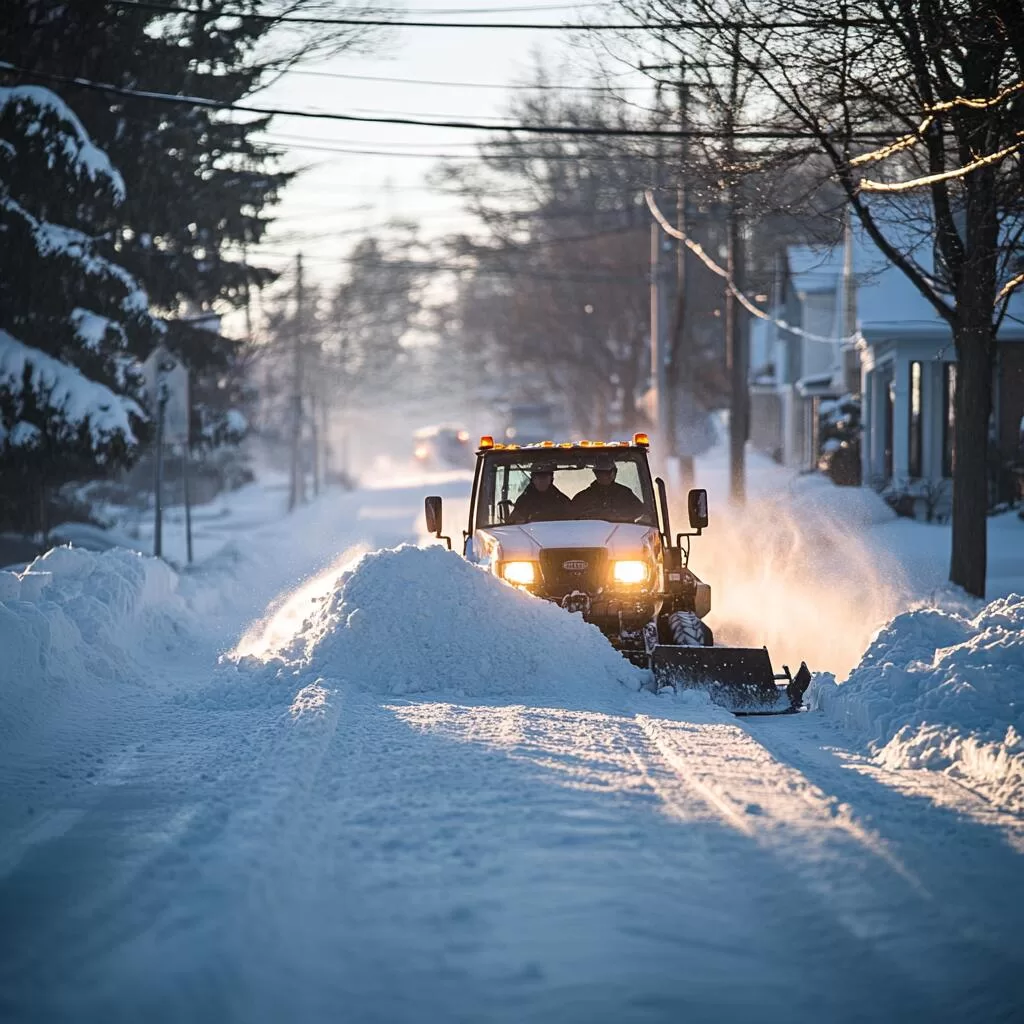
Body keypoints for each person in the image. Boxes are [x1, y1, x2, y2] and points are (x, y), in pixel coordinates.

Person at [569, 454, 648, 521]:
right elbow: (571, 518)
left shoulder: (625, 494)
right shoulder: (582, 498)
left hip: (622, 534)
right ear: (595, 473)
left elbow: (641, 512)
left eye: (608, 472)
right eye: (600, 472)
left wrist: (618, 516)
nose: (604, 476)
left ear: (615, 472)